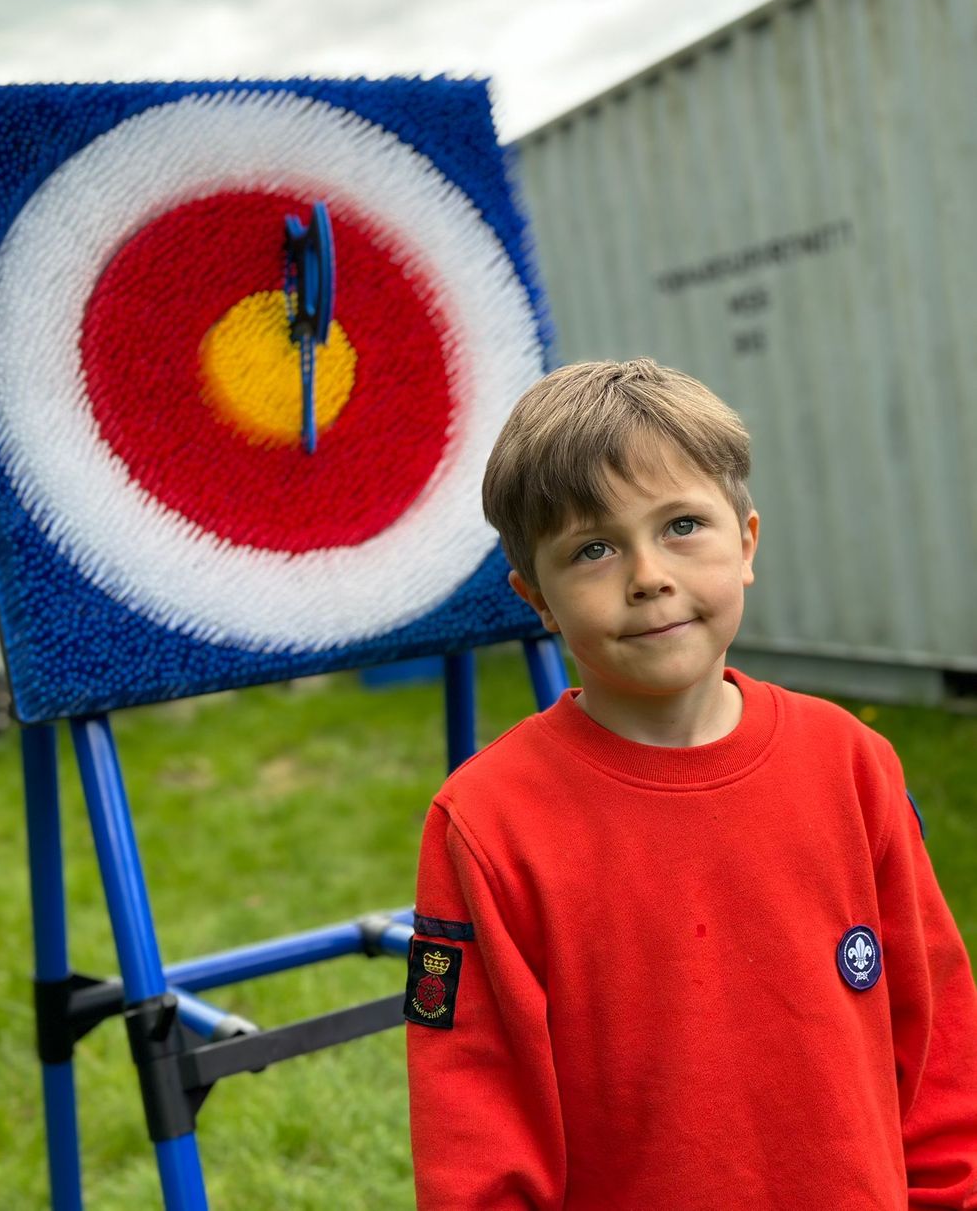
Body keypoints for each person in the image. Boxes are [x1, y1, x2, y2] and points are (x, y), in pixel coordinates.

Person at [404, 358, 977, 1209]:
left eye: (681, 525)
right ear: (539, 600)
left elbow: (938, 1047)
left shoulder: (854, 763)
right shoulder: (485, 821)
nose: (648, 575)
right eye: (593, 548)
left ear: (746, 541)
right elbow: (472, 1125)